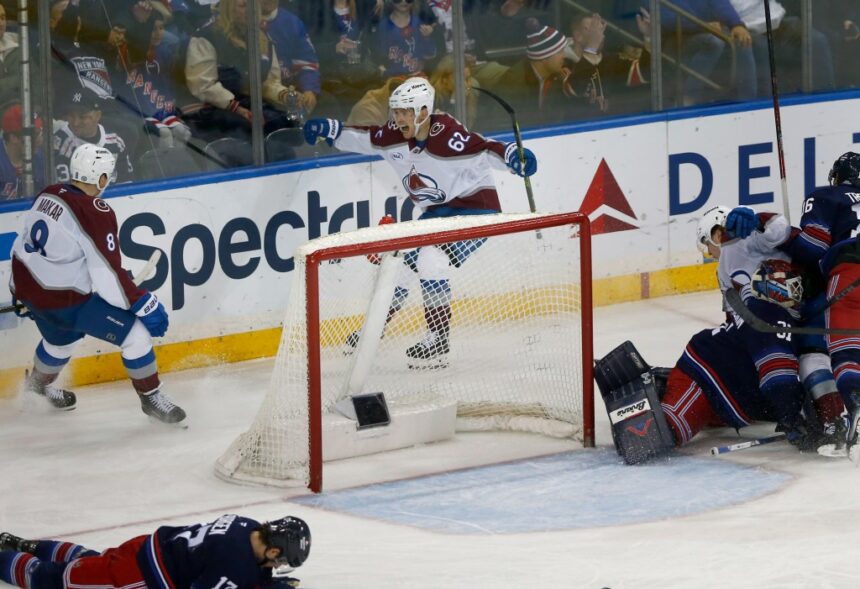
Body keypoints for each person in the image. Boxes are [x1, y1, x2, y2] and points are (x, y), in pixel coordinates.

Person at [303, 76, 537, 365]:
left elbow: (484, 147)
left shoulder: (446, 134)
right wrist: (331, 130)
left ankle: (438, 339)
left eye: (405, 112)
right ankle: (372, 331)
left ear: (424, 112)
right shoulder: (394, 135)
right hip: (437, 214)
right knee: (399, 264)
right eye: (396, 111)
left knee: (432, 259)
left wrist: (514, 158)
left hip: (476, 210)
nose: (398, 118)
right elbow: (367, 138)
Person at [9, 143, 185, 424]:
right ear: (101, 179)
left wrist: (18, 290)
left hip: (31, 293)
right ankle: (151, 398)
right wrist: (142, 302)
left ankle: (37, 388)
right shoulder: (95, 211)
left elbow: (25, 248)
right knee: (137, 335)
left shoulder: (49, 193)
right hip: (67, 302)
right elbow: (108, 282)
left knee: (58, 343)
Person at [697, 205, 845, 446]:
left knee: (804, 357)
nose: (709, 253)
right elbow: (737, 316)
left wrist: (756, 220)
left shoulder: (742, 242)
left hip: (812, 304)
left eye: (707, 243)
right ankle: (830, 419)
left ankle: (815, 415)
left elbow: (778, 230)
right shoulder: (724, 269)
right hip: (793, 318)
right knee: (810, 360)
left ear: (716, 232)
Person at [762, 152, 860, 440]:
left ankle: (844, 416)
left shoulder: (827, 195)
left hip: (851, 272)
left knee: (844, 352)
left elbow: (813, 246)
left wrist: (785, 236)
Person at [0, 514, 311, 589]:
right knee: (54, 580)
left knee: (88, 559)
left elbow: (239, 567)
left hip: (145, 546)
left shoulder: (248, 526)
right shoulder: (235, 566)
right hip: (140, 576)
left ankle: (27, 545)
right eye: (280, 558)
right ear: (272, 550)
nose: (278, 564)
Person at [53, 87, 134, 184]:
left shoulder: (115, 142)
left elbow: (127, 184)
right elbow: (65, 191)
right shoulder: (61, 142)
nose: (75, 123)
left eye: (82, 117)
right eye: (71, 116)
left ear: (97, 116)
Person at [0, 104, 45, 200]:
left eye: (40, 132)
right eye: (35, 134)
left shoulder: (41, 158)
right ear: (14, 138)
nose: (40, 139)